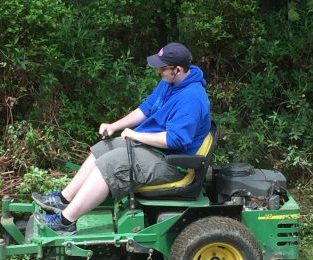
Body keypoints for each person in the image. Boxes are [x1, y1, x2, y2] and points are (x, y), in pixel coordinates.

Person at [32, 42, 211, 233]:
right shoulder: (169, 83)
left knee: (111, 164)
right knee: (104, 148)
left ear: (177, 69)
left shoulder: (191, 98)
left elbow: (175, 140)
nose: (159, 71)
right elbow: (146, 109)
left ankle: (66, 222)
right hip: (155, 149)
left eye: (162, 68)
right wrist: (114, 126)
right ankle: (62, 200)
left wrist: (136, 135)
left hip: (173, 163)